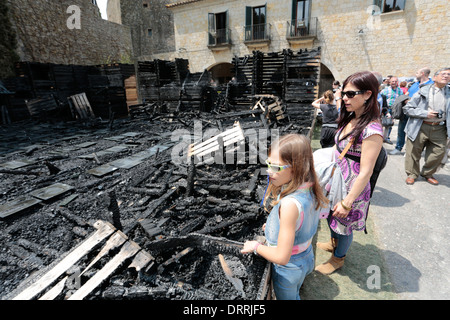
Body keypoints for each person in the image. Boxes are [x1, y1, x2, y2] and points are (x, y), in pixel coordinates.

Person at [241, 134, 328, 300]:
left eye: (276, 167)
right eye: (268, 163)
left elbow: (281, 257)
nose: (268, 170)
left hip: (289, 269)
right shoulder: (310, 186)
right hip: (307, 257)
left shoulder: (289, 205)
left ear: (295, 168)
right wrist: (274, 227)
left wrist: (255, 247)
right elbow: (301, 223)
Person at [315, 71, 383, 275]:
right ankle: (333, 243)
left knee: (343, 223)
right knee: (331, 217)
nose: (344, 98)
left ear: (368, 94)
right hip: (336, 179)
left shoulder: (372, 129)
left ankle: (338, 258)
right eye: (343, 93)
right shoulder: (352, 117)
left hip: (351, 186)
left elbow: (366, 171)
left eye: (351, 94)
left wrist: (348, 201)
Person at [403, 67, 450, 185]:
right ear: (434, 77)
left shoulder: (449, 92)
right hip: (420, 125)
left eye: (448, 75)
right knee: (413, 151)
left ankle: (427, 173)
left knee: (438, 152)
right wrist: (425, 113)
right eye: (443, 74)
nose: (446, 76)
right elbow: (407, 109)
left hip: (440, 128)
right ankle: (412, 174)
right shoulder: (423, 91)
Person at [381, 76, 403, 144]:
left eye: (395, 81)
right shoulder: (385, 90)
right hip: (386, 109)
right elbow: (381, 98)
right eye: (392, 81)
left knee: (390, 124)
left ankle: (386, 138)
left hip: (394, 109)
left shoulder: (400, 91)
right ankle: (380, 137)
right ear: (389, 82)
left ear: (397, 82)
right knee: (382, 123)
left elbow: (401, 99)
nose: (394, 82)